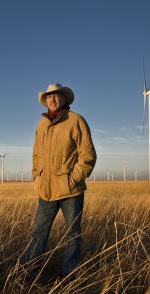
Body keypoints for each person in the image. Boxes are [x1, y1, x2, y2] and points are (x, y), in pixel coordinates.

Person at [21, 83, 97, 277]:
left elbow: (87, 156)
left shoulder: (76, 120)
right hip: (45, 190)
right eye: (49, 97)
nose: (52, 100)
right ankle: (28, 274)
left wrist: (72, 179)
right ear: (45, 100)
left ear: (64, 98)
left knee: (73, 235)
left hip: (70, 191)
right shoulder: (42, 123)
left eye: (56, 96)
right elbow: (36, 154)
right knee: (38, 233)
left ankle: (69, 276)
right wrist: (36, 176)